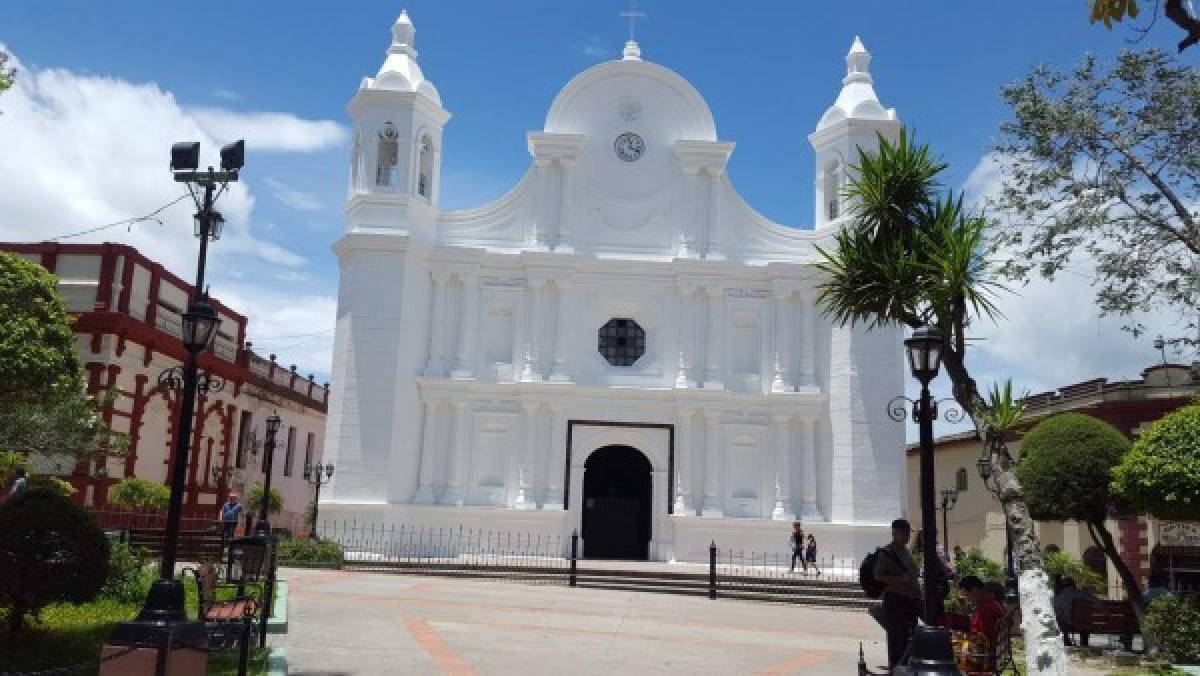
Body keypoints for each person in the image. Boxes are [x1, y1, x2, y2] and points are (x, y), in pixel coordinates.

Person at [873, 518, 922, 670]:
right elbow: (877, 575)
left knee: (909, 641)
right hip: (896, 602)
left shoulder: (905, 550)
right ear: (894, 533)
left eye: (908, 533)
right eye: (904, 533)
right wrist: (900, 578)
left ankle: (905, 669)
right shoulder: (887, 553)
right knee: (897, 641)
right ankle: (896, 670)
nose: (907, 536)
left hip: (909, 602)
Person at [959, 576, 1006, 651]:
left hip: (982, 654)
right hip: (983, 649)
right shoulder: (990, 603)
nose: (968, 600)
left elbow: (984, 639)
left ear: (974, 590)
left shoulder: (987, 608)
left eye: (967, 595)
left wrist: (964, 637)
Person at [1052, 576, 1099, 646]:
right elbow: (1096, 601)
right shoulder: (1079, 594)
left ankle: (1066, 641)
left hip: (1063, 625)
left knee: (1061, 621)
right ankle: (1084, 644)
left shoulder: (1056, 597)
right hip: (1080, 625)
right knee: (1083, 624)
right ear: (1073, 585)